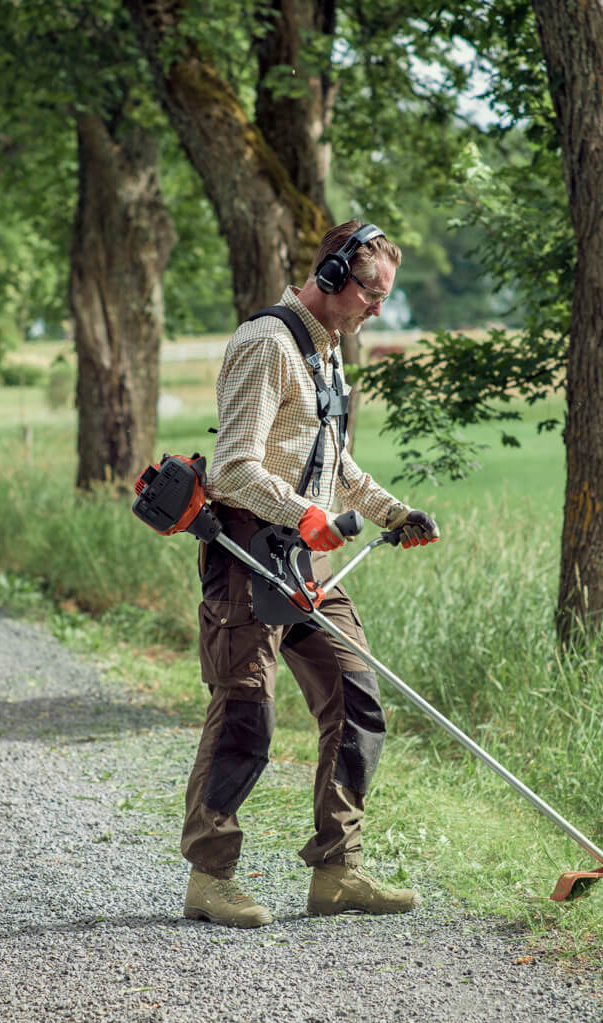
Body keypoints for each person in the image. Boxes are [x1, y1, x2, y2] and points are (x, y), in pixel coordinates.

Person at [181, 220, 440, 928]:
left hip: (307, 559)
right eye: (369, 292)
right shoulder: (265, 344)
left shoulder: (327, 353)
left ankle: (338, 870)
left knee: (357, 699)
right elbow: (234, 467)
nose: (377, 309)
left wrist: (392, 512)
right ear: (330, 276)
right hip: (246, 556)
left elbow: (338, 465)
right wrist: (304, 516)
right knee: (246, 713)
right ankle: (210, 876)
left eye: (384, 296)